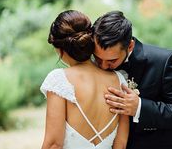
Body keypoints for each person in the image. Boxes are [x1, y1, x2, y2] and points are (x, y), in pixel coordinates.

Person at [93, 11, 172, 149]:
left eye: (111, 60)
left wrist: (140, 107)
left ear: (130, 46)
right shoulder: (88, 64)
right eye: (98, 58)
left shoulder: (163, 61)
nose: (102, 66)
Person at [40, 10, 129, 149]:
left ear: (60, 49)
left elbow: (53, 144)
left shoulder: (59, 79)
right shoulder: (119, 80)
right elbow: (121, 145)